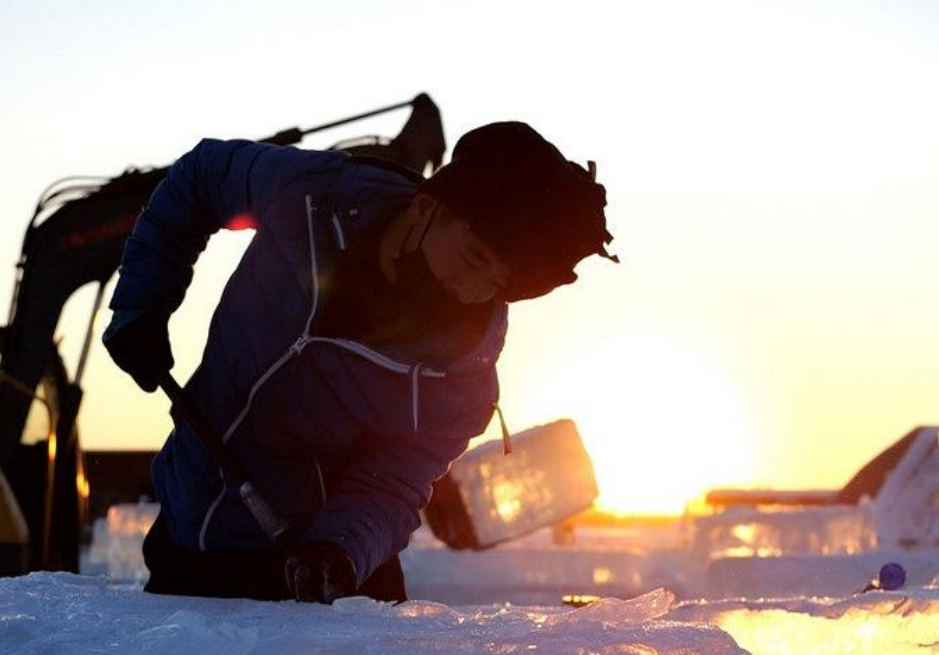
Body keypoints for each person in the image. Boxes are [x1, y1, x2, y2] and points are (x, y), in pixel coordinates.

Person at [103, 121, 615, 603]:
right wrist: (142, 303)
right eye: (474, 260)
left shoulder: (459, 382)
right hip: (188, 533)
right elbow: (202, 176)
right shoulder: (313, 198)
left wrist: (338, 552)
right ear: (424, 208)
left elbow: (392, 484)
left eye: (500, 286)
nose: (474, 292)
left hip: (318, 583)